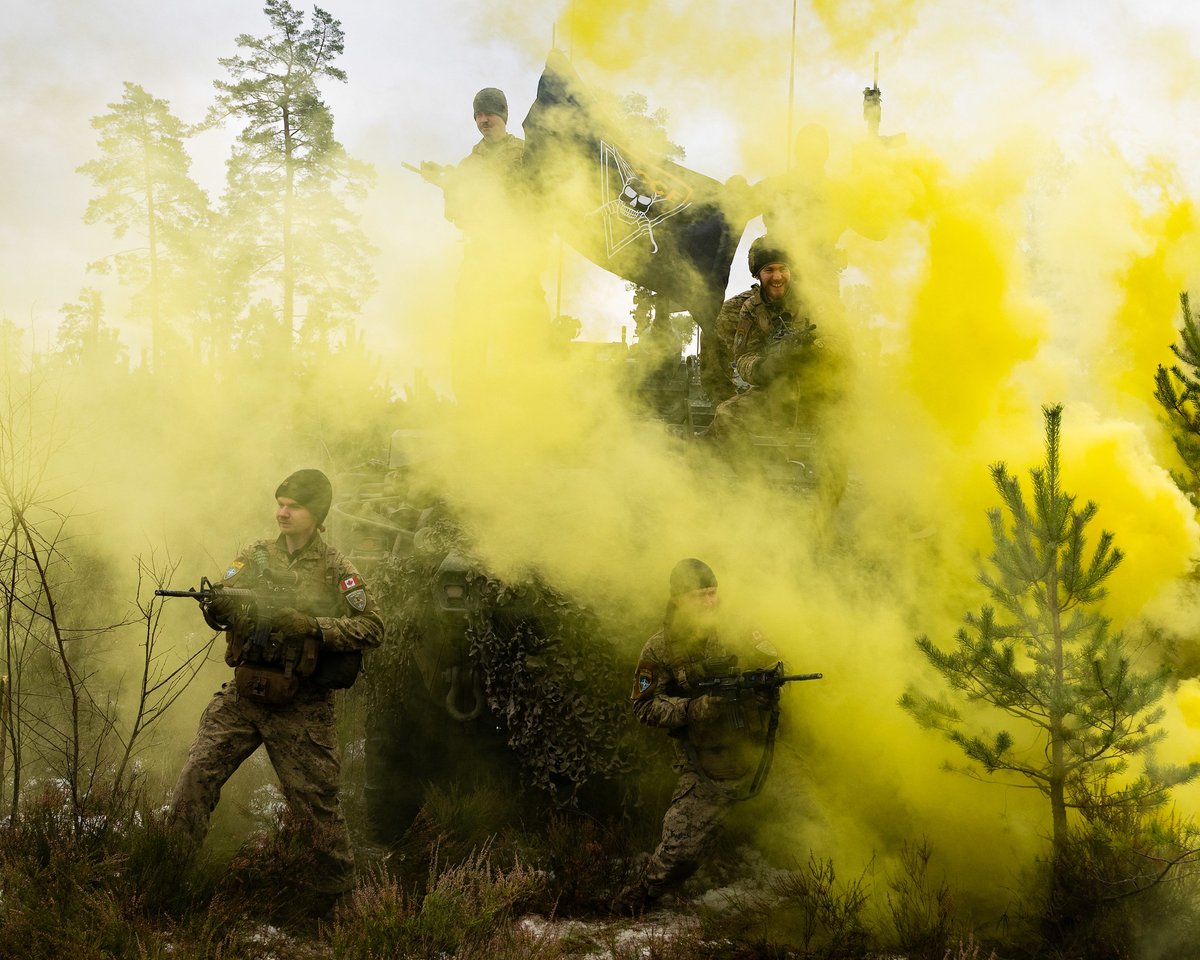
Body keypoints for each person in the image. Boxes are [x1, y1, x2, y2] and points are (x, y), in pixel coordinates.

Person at [168, 469, 384, 909]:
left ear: (316, 514)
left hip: (301, 705)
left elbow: (373, 627)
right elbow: (227, 594)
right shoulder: (255, 555)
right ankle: (164, 878)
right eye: (280, 502)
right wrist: (221, 604)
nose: (282, 512)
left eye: (294, 506)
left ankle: (339, 910)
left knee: (317, 809)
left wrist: (313, 626)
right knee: (195, 777)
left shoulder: (337, 568)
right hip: (244, 694)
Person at [615, 559, 777, 911]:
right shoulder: (659, 649)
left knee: (819, 821)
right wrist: (691, 710)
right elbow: (643, 706)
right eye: (700, 594)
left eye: (713, 593)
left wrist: (768, 689)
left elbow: (778, 665)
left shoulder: (739, 628)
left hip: (761, 756)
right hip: (707, 766)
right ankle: (638, 899)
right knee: (680, 851)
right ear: (678, 600)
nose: (710, 602)